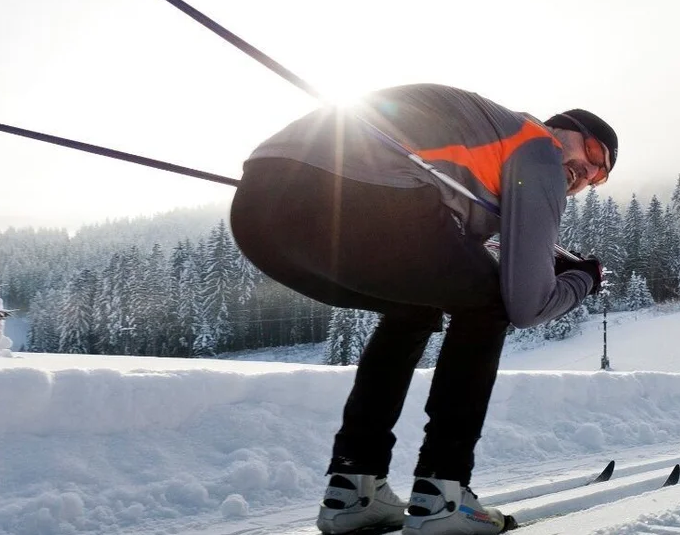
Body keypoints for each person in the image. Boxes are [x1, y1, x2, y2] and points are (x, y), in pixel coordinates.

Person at [229, 83, 618, 535]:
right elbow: (527, 306)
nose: (586, 170)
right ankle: (443, 490)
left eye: (600, 175)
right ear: (559, 129)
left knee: (415, 304)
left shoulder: (485, 145)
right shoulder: (538, 146)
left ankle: (356, 486)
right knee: (490, 302)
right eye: (592, 149)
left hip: (258, 214)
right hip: (359, 196)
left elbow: (445, 252)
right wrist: (583, 278)